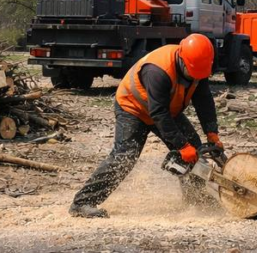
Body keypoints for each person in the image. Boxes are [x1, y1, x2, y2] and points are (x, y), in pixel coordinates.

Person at [69, 34, 222, 218]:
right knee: (125, 155)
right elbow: (158, 113)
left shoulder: (198, 67)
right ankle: (82, 203)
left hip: (165, 110)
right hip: (133, 108)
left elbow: (204, 100)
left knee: (195, 152)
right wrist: (181, 145)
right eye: (191, 73)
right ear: (182, 59)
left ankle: (197, 199)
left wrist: (212, 132)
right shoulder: (158, 70)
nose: (194, 78)